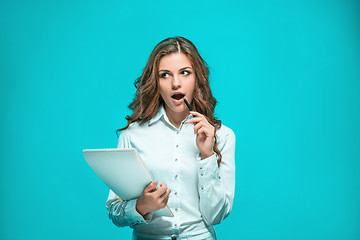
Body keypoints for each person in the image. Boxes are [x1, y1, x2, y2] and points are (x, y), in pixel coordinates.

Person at [106, 36, 236, 240]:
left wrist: (207, 155)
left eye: (185, 73)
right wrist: (141, 207)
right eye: (165, 75)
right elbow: (114, 212)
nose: (176, 83)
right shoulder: (132, 135)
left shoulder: (223, 135)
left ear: (197, 78)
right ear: (155, 82)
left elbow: (216, 216)